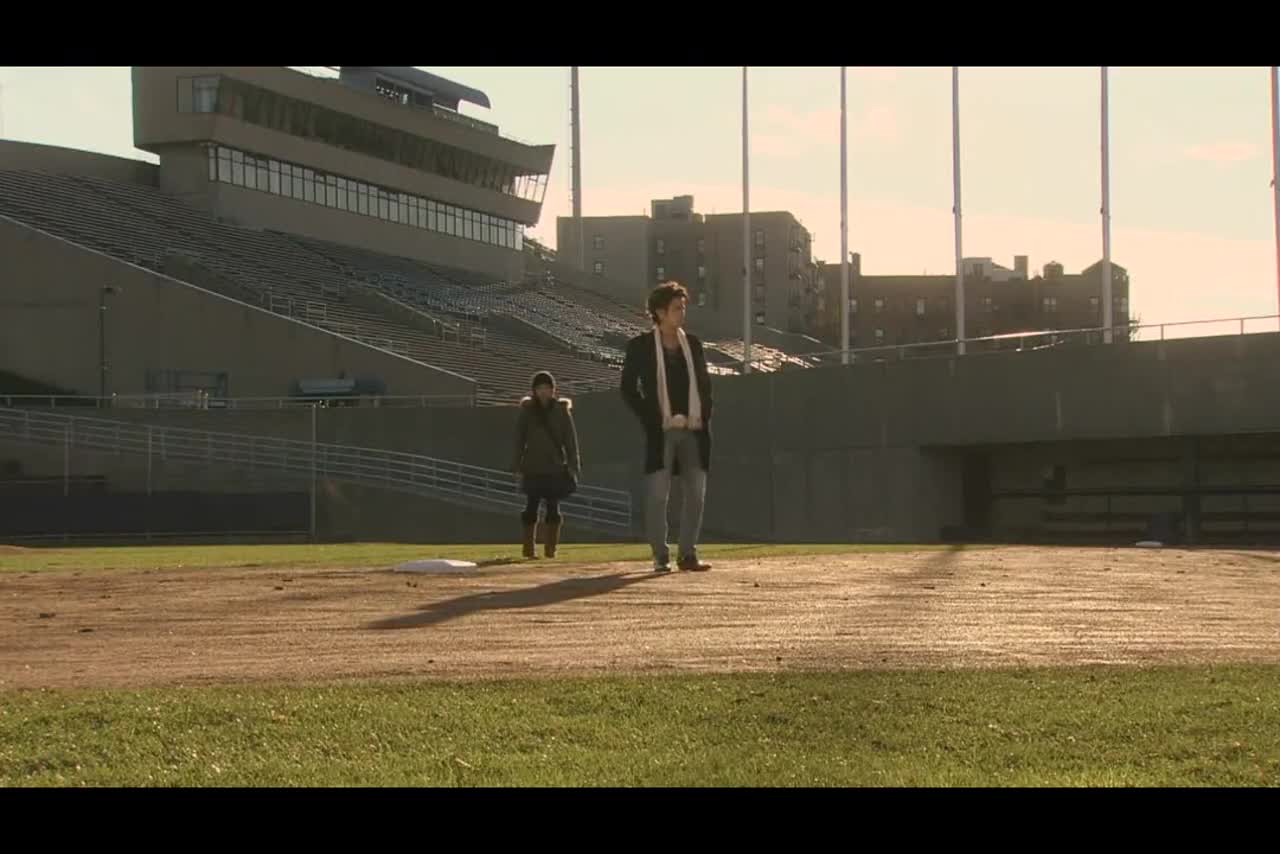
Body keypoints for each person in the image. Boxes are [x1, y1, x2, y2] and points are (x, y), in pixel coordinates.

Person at [620, 281, 713, 572]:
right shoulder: (641, 346)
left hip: (694, 430)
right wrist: (654, 417)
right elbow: (628, 389)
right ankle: (660, 555)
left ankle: (688, 554)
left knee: (696, 494)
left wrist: (701, 415)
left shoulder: (693, 344)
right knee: (659, 495)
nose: (682, 313)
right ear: (660, 312)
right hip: (661, 431)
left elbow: (705, 386)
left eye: (683, 307)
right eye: (676, 308)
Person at [512, 371, 580, 559]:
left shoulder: (561, 410)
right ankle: (528, 549)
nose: (543, 391)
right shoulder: (527, 410)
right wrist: (516, 465)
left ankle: (551, 550)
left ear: (553, 390)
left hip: (554, 466)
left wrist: (573, 464)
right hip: (532, 466)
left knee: (553, 508)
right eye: (539, 388)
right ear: (534, 390)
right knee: (530, 507)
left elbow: (570, 440)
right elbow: (519, 439)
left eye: (547, 388)